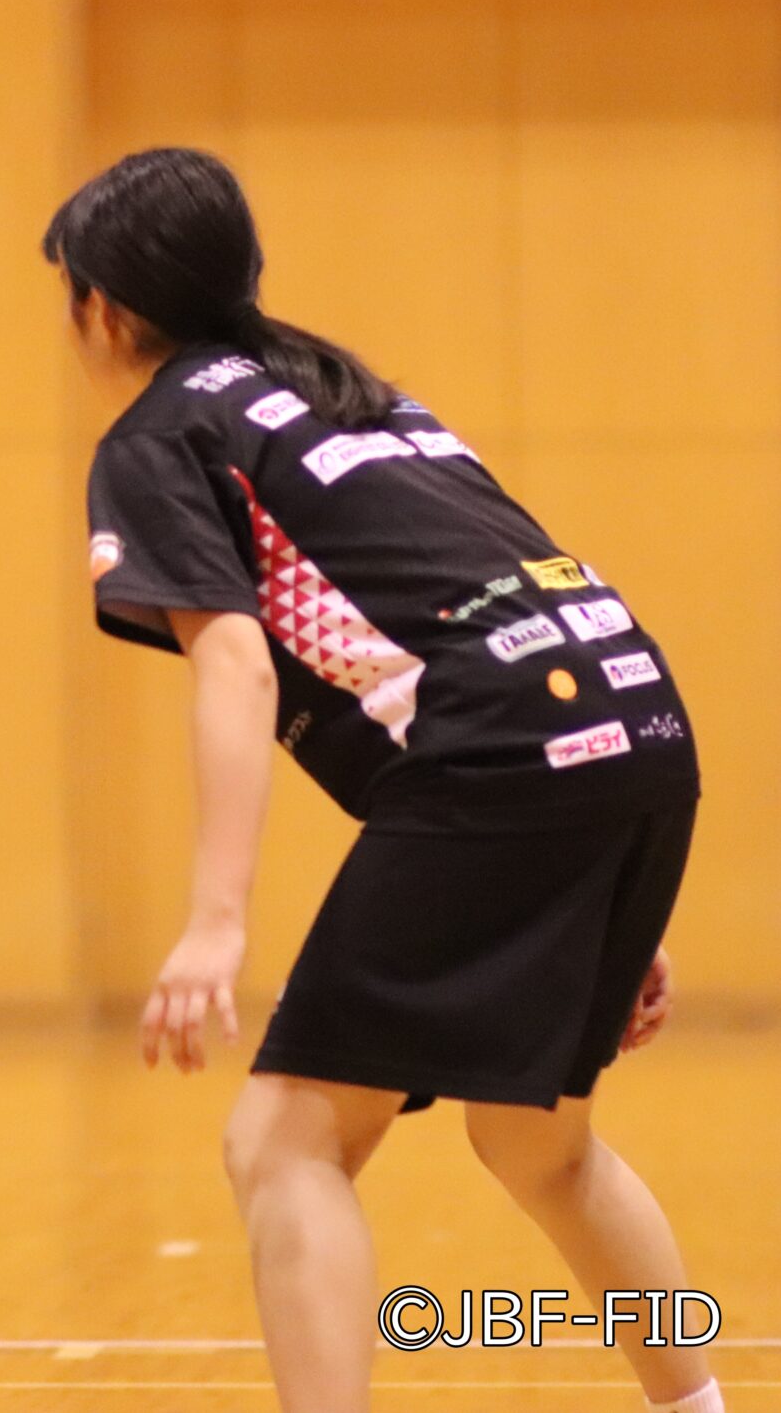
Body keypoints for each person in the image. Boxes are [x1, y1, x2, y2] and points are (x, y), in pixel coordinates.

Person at [52, 148, 719, 1413]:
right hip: (631, 714)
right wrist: (595, 894)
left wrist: (214, 919)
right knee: (537, 1143)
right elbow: (503, 582)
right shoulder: (345, 391)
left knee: (282, 1142)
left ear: (103, 306)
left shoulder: (162, 433)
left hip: (504, 751)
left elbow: (236, 662)